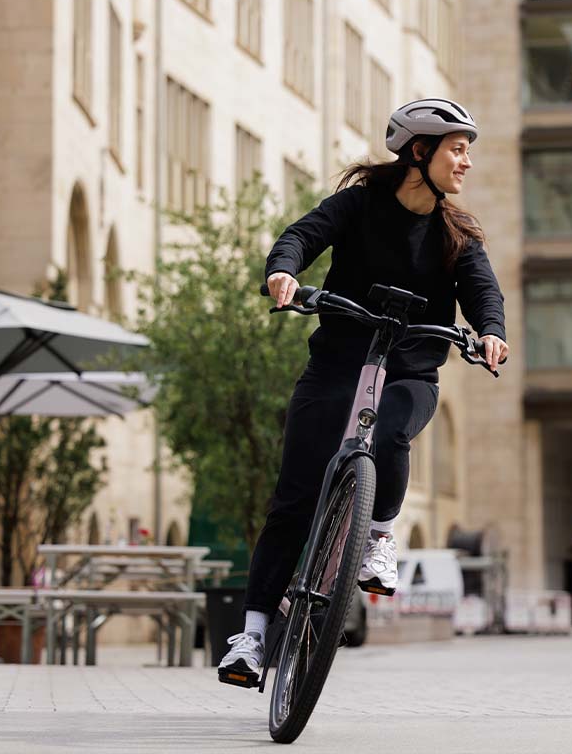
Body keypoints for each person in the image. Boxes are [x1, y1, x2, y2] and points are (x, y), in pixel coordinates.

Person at [218, 98, 509, 687]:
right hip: (338, 366)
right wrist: (283, 271)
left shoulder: (456, 233)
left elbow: (483, 292)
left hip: (410, 369)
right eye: (457, 149)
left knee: (396, 424)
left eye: (468, 152)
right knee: (293, 500)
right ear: (419, 151)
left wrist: (491, 334)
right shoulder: (359, 205)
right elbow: (304, 234)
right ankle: (250, 638)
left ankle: (378, 536)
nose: (466, 163)